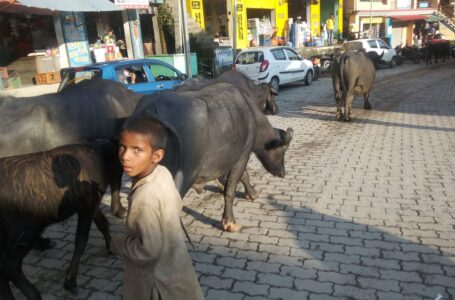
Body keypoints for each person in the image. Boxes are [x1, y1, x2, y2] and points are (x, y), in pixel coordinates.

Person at [110, 116, 205, 300]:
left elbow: (147, 252)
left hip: (157, 284)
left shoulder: (145, 197)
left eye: (137, 149)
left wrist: (118, 243)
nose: (125, 156)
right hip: (176, 267)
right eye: (122, 146)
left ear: (157, 155)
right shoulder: (162, 172)